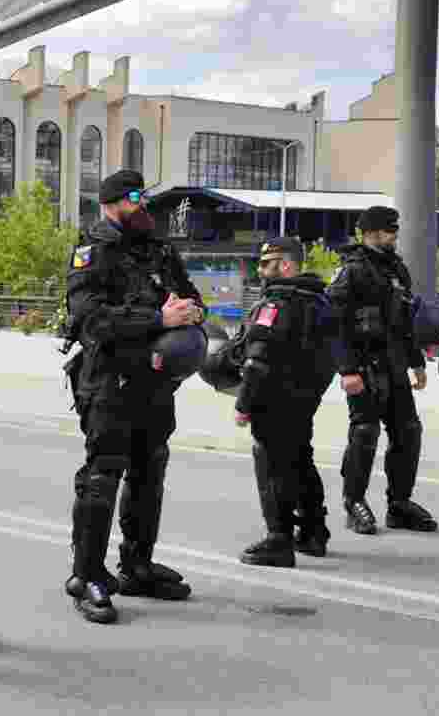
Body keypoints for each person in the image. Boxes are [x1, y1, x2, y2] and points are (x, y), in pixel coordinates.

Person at [62, 169, 204, 624]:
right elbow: (92, 321)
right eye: (133, 200)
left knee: (150, 471)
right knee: (103, 475)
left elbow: (191, 297)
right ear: (109, 205)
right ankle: (87, 576)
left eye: (144, 200)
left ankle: (137, 565)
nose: (142, 208)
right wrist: (159, 319)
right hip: (108, 380)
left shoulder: (160, 250)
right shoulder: (93, 252)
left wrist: (192, 311)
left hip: (156, 381)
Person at [327, 205, 437, 535]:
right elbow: (334, 324)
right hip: (364, 365)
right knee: (365, 433)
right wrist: (347, 369)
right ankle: (354, 502)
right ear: (373, 232)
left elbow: (404, 323)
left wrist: (416, 361)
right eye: (390, 230)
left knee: (408, 431)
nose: (395, 236)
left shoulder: (395, 269)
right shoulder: (352, 271)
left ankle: (399, 503)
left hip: (395, 366)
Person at [234, 238, 336, 566]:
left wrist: (243, 403)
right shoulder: (318, 300)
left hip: (274, 395)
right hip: (306, 396)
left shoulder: (276, 303)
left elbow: (257, 359)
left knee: (271, 462)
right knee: (300, 459)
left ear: (287, 266)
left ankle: (278, 538)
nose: (261, 271)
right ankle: (313, 531)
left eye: (267, 264)